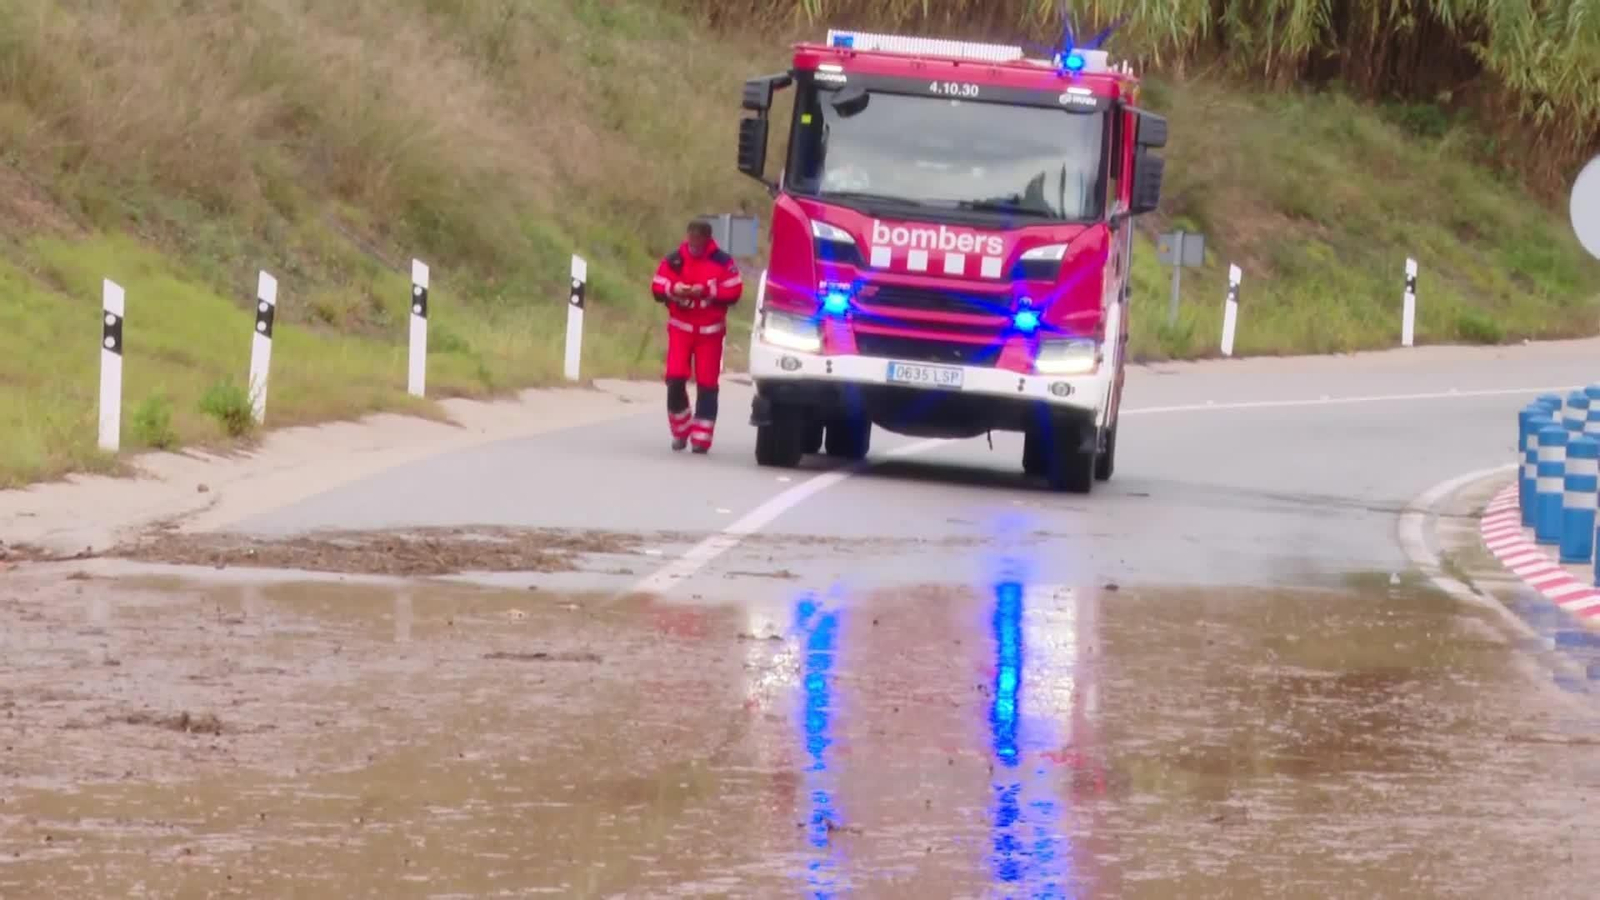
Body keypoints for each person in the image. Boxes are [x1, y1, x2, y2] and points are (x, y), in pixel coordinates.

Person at [650, 219, 743, 453]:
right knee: (674, 377)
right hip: (681, 328)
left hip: (710, 333)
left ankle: (702, 438)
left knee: (707, 384)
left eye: (698, 241)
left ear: (707, 239)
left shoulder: (722, 262)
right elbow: (657, 286)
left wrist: (709, 291)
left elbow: (734, 290)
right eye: (691, 240)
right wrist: (675, 290)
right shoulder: (674, 260)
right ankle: (680, 430)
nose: (694, 245)